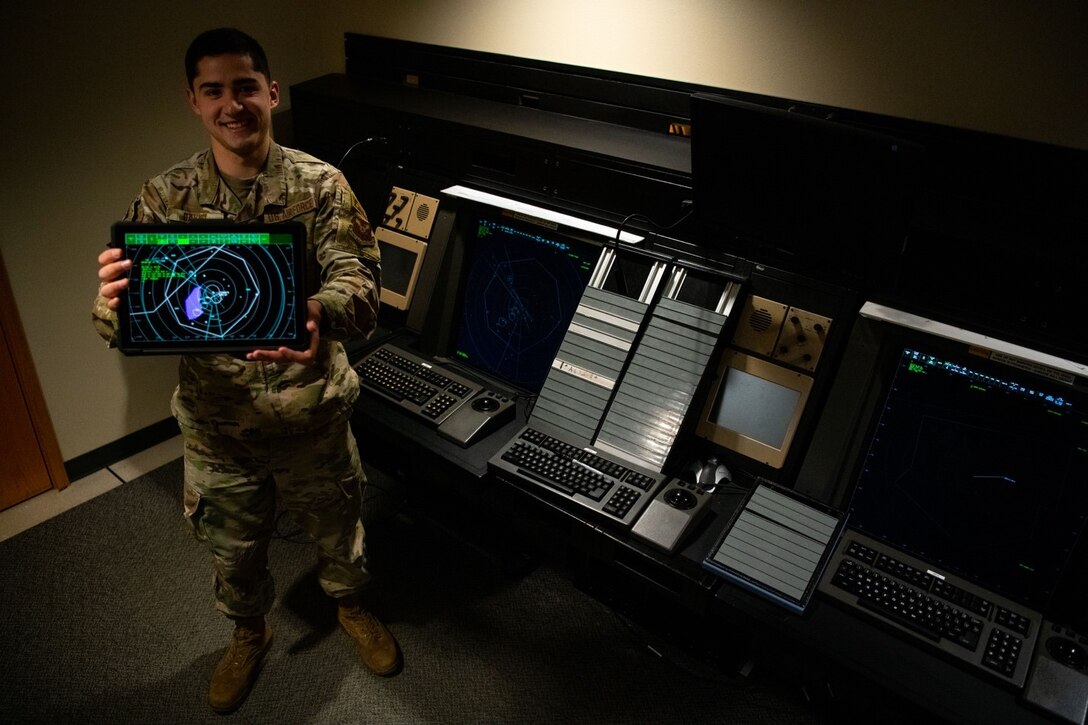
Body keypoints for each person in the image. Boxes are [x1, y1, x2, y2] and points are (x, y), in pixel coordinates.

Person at [93, 27, 400, 714]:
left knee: (339, 529)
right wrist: (115, 302)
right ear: (194, 101)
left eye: (244, 87)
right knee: (231, 549)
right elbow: (125, 316)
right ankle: (248, 632)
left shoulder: (321, 184)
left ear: (271, 92)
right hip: (220, 424)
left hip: (311, 409)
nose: (231, 104)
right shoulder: (166, 197)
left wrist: (316, 312)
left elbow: (360, 282)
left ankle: (351, 608)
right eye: (214, 91)